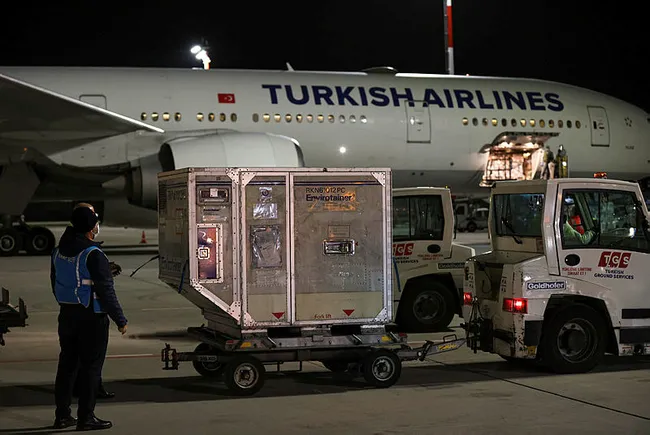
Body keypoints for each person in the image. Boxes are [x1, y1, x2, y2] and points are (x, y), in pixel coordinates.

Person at [51, 205, 128, 431]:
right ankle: (86, 417)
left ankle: (62, 415)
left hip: (67, 313)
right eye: (96, 222)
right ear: (90, 227)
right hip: (91, 317)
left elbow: (55, 281)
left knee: (67, 367)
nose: (97, 226)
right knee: (91, 369)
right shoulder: (93, 254)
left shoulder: (58, 251)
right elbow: (106, 291)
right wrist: (120, 319)